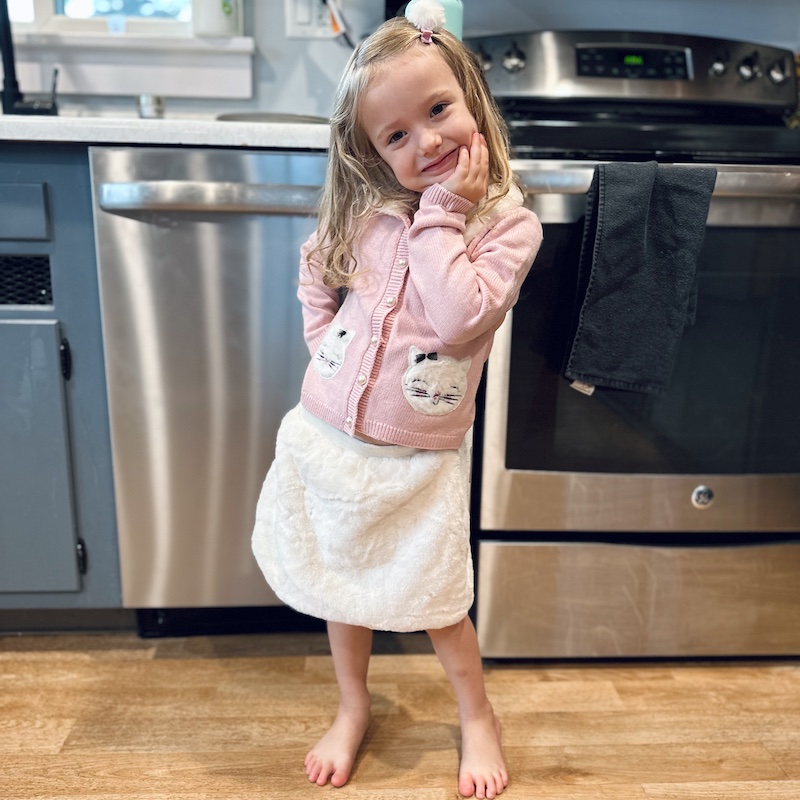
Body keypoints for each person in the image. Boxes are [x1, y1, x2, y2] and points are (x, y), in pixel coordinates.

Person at [251, 2, 542, 798]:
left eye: (438, 110)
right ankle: (354, 705)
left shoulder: (505, 227)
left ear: (471, 95)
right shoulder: (371, 211)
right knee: (340, 586)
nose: (427, 142)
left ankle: (477, 715)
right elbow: (317, 268)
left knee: (438, 600)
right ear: (375, 152)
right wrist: (330, 352)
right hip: (331, 440)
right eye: (397, 136)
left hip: (417, 459)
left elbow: (458, 317)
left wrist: (443, 215)